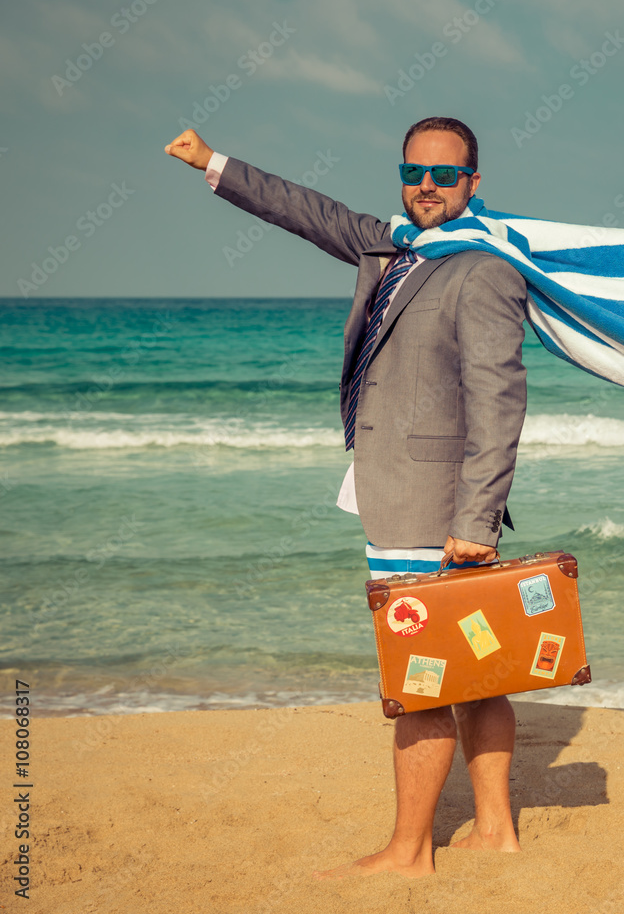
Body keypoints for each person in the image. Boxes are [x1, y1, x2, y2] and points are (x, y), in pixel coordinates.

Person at [165, 118, 528, 878]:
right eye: (414, 170)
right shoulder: (388, 243)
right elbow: (304, 208)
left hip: (432, 507)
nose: (428, 185)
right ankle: (495, 829)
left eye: (446, 175)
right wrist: (213, 162)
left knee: (421, 677)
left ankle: (409, 851)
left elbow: (499, 405)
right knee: (478, 667)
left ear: (474, 183)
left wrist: (475, 521)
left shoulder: (483, 270)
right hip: (400, 490)